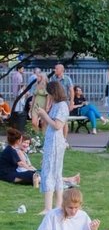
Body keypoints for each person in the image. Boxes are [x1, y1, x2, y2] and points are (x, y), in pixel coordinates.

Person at [35, 81, 69, 214]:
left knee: (50, 172)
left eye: (49, 93)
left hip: (55, 142)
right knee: (52, 171)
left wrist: (44, 115)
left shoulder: (62, 106)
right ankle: (56, 206)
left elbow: (57, 125)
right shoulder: (56, 104)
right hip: (51, 141)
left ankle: (49, 207)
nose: (48, 96)